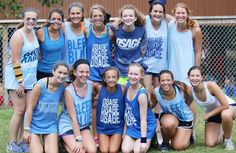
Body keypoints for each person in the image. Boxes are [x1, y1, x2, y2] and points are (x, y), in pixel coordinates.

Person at [5, 7, 39, 153]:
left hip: (31, 78)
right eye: (28, 18)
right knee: (19, 110)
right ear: (23, 19)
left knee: (27, 110)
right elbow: (15, 60)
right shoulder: (18, 36)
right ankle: (12, 144)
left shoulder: (34, 33)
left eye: (34, 19)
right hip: (17, 79)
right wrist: (20, 82)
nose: (31, 21)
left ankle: (21, 142)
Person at [143, 0, 174, 145]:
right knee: (149, 95)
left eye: (160, 11)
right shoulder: (145, 21)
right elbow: (130, 19)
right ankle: (149, 128)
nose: (157, 14)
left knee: (158, 98)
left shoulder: (167, 22)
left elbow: (182, 20)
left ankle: (157, 131)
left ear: (163, 13)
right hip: (147, 66)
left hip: (161, 67)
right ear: (150, 12)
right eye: (155, 11)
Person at [23, 62, 69, 152]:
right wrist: (26, 130)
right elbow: (29, 109)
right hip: (34, 125)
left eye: (65, 74)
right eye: (60, 72)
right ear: (53, 72)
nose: (62, 76)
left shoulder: (64, 87)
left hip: (50, 126)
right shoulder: (41, 85)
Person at [85, 5, 114, 145]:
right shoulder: (87, 31)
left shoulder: (110, 32)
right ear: (90, 19)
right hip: (91, 75)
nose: (97, 18)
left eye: (99, 16)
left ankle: (111, 133)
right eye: (94, 16)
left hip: (108, 76)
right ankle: (94, 135)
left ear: (104, 17)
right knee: (94, 105)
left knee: (109, 104)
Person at [188, 66, 236, 150]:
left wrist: (209, 114)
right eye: (192, 76)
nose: (195, 78)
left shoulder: (210, 85)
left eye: (197, 76)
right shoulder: (190, 91)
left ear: (202, 77)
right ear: (188, 77)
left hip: (229, 107)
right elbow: (185, 106)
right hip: (214, 111)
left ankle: (228, 140)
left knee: (225, 114)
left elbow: (225, 105)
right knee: (210, 144)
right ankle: (223, 129)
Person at [58, 59, 97, 153]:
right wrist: (79, 140)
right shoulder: (69, 91)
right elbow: (72, 118)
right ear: (75, 72)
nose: (85, 74)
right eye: (81, 72)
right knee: (80, 151)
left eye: (87, 72)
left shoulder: (91, 85)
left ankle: (68, 143)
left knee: (92, 150)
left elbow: (104, 86)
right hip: (68, 125)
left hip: (83, 125)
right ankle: (63, 142)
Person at [151, 70, 195, 151]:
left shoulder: (181, 88)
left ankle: (189, 136)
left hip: (185, 119)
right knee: (168, 124)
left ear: (172, 81)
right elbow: (151, 106)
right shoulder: (156, 92)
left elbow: (192, 96)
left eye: (168, 80)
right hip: (169, 117)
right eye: (163, 80)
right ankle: (165, 143)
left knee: (178, 146)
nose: (165, 83)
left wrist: (186, 105)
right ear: (159, 82)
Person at [122, 63, 156, 153]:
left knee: (138, 151)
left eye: (136, 74)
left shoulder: (141, 95)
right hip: (133, 125)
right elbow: (127, 111)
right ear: (127, 74)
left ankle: (149, 139)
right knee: (125, 150)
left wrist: (144, 140)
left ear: (141, 76)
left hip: (145, 126)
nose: (133, 77)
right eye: (131, 74)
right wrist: (125, 131)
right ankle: (137, 140)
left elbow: (144, 120)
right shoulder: (127, 85)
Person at [111, 4, 147, 85]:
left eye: (131, 16)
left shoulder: (141, 30)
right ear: (121, 18)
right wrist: (114, 23)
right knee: (121, 93)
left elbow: (144, 46)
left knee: (135, 94)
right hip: (119, 69)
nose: (128, 18)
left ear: (135, 18)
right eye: (125, 16)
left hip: (135, 70)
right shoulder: (115, 28)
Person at [168, 2, 202, 84]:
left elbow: (198, 52)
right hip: (173, 67)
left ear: (187, 14)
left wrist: (196, 72)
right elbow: (163, 15)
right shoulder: (170, 25)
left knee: (188, 93)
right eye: (178, 13)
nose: (180, 15)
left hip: (188, 67)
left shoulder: (195, 30)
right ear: (174, 14)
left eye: (183, 13)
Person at [96, 67, 125, 153]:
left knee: (113, 150)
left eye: (114, 77)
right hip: (102, 128)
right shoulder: (99, 88)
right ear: (104, 79)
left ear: (118, 78)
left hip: (117, 128)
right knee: (104, 150)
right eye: (108, 77)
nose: (111, 80)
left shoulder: (122, 89)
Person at [62, 2, 88, 81]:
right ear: (69, 15)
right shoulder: (64, 26)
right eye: (72, 13)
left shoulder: (87, 24)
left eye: (78, 13)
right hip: (67, 70)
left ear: (82, 14)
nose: (75, 16)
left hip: (83, 71)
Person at [36, 8, 65, 80]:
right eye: (53, 19)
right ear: (48, 20)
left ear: (62, 21)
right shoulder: (41, 32)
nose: (56, 21)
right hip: (42, 72)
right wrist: (37, 52)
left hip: (58, 72)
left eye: (59, 19)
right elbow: (30, 43)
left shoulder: (63, 30)